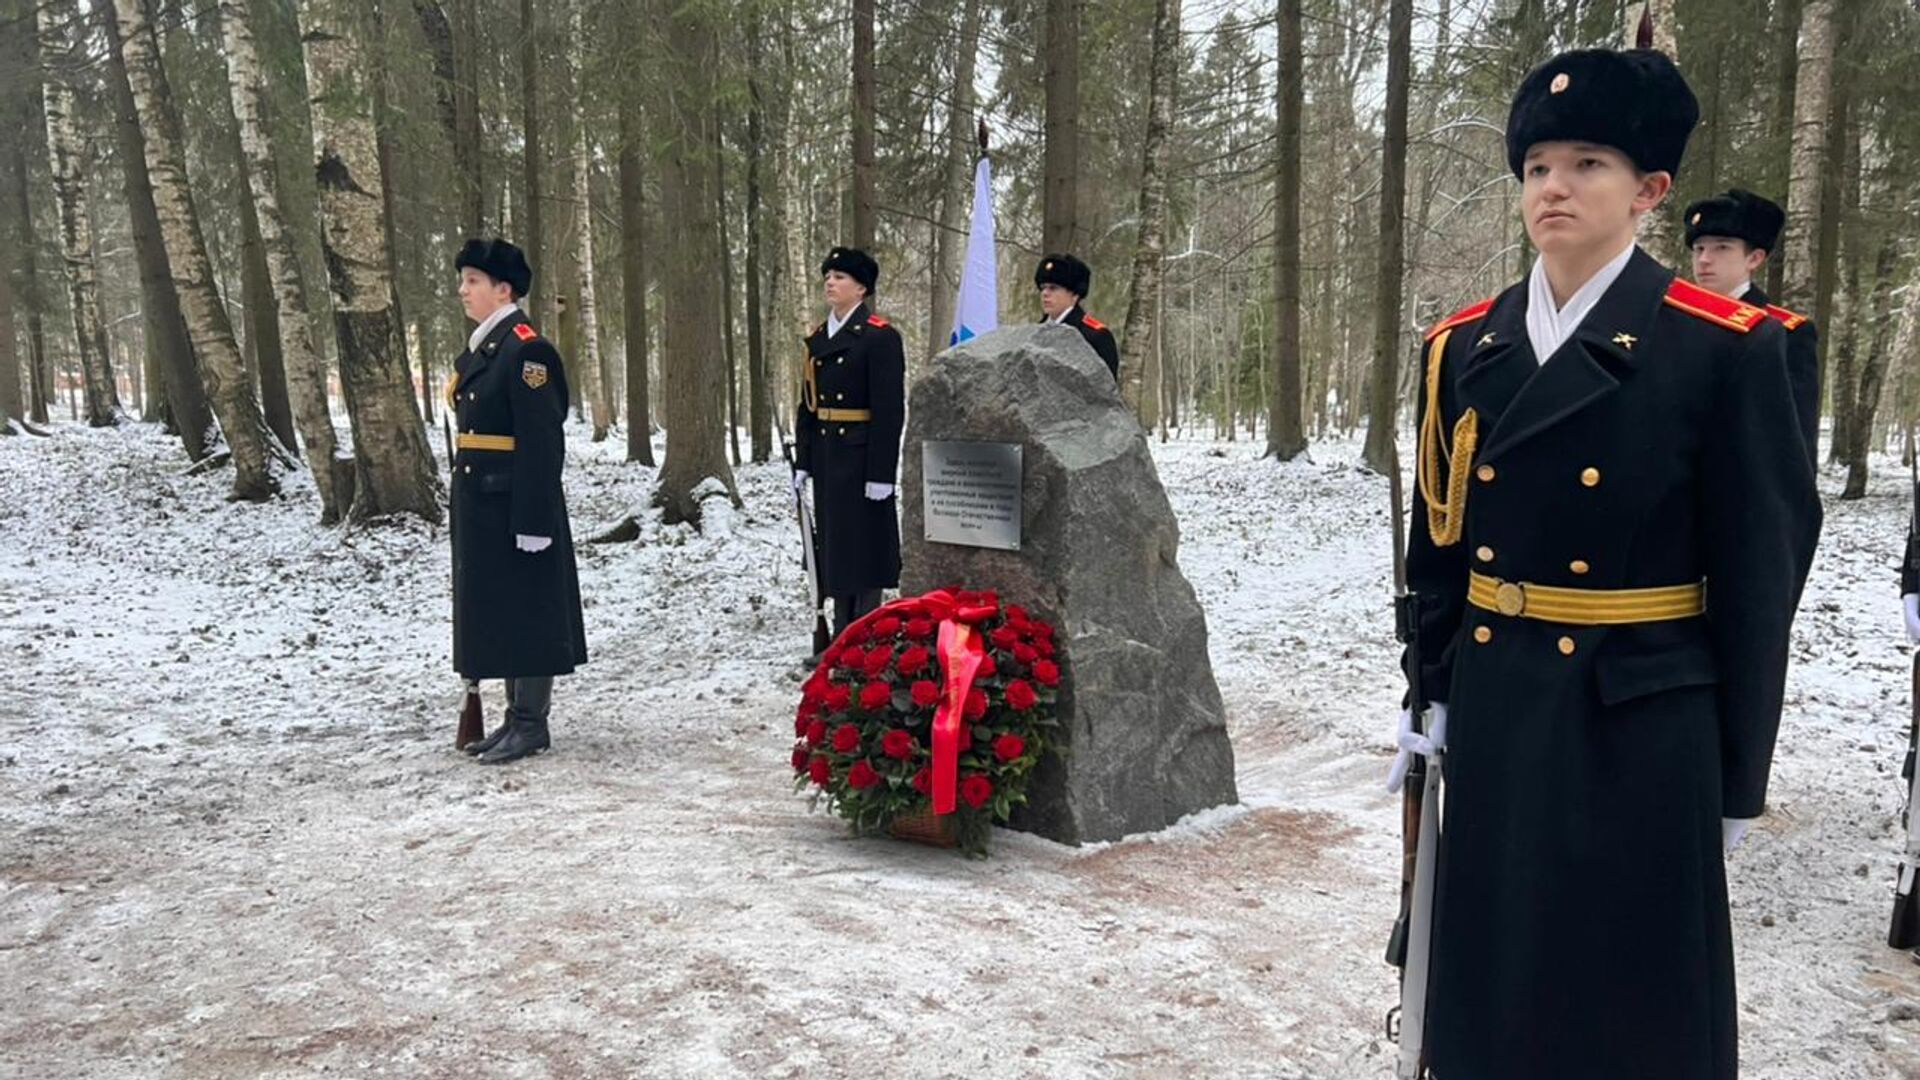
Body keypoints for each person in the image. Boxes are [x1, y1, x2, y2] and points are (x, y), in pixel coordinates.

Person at [1388, 48, 1821, 1080]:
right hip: (1499, 699)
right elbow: (1438, 544)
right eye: (1538, 165)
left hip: (1641, 717)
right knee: (1496, 985)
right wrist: (1428, 687)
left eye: (1588, 164)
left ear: (1650, 191)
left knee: (1628, 1005)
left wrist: (1735, 777)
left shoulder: (1725, 348)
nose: (1555, 188)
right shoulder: (1465, 345)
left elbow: (1763, 579)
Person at [448, 238, 589, 765]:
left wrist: (534, 518)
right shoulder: (488, 347)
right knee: (504, 608)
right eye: (463, 280)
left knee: (529, 608)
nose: (462, 290)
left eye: (473, 281)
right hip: (483, 502)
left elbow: (541, 440)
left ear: (502, 289)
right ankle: (513, 718)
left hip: (514, 504)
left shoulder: (526, 349)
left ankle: (532, 721)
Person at [791, 247, 904, 637]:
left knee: (866, 549)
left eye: (840, 277)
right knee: (835, 549)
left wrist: (882, 473)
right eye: (828, 276)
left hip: (860, 456)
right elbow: (808, 404)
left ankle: (864, 634)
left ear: (861, 288)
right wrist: (804, 459)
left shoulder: (879, 337)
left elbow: (889, 411)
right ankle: (839, 631)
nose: (830, 282)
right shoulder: (820, 337)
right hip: (827, 457)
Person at [1685, 188, 1821, 466]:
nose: (1704, 259)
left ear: (1755, 258)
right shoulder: (1674, 319)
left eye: (1722, 247)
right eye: (1699, 248)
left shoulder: (1786, 333)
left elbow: (1795, 442)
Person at [1034, 254, 1119, 382]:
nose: (1045, 294)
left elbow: (1106, 391)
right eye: (1043, 288)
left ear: (1075, 294)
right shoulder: (1035, 333)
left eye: (1053, 288)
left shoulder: (1095, 336)